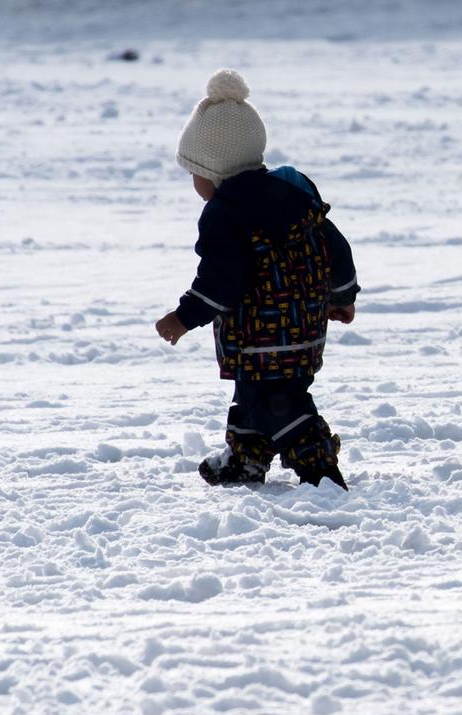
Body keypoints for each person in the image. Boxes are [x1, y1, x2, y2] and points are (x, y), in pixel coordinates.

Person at [154, 69, 359, 490]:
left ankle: (319, 465)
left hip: (259, 336)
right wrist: (342, 296)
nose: (194, 183)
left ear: (213, 171)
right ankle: (245, 459)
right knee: (255, 396)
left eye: (194, 172)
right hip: (305, 329)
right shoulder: (294, 194)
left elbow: (220, 280)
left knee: (276, 402)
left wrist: (183, 317)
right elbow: (335, 247)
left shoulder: (225, 213)